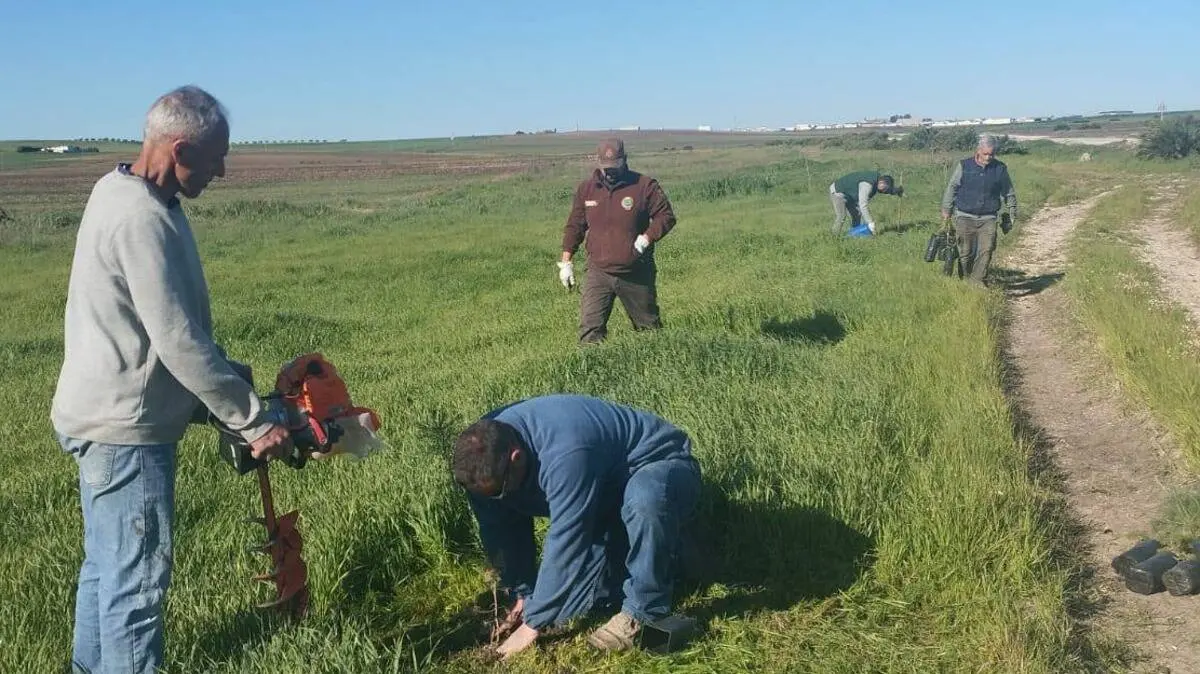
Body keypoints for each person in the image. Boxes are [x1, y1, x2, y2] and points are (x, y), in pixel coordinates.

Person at [50, 85, 292, 673]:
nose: (221, 171)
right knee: (136, 586)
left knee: (106, 571)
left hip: (98, 413)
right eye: (215, 157)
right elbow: (177, 339)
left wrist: (229, 377)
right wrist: (252, 420)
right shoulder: (142, 218)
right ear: (180, 149)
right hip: (125, 428)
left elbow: (163, 323)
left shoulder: (118, 191)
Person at [452, 394, 702, 657]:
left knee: (644, 499)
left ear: (516, 457)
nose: (495, 500)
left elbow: (568, 539)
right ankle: (666, 554)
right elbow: (499, 528)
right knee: (578, 608)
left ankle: (644, 611)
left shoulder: (565, 452)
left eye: (498, 492)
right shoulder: (481, 459)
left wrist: (532, 625)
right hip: (604, 493)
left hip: (662, 467)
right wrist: (522, 593)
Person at [558, 138, 677, 344]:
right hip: (598, 272)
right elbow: (575, 226)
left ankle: (653, 360)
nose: (610, 171)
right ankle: (593, 364)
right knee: (590, 331)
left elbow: (666, 216)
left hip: (636, 271)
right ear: (598, 162)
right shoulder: (587, 189)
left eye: (615, 166)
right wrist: (566, 262)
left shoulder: (644, 186)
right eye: (606, 167)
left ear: (625, 159)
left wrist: (647, 238)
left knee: (649, 331)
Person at [940, 134, 1019, 284]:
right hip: (964, 216)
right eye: (985, 154)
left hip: (988, 218)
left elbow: (1008, 192)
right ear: (978, 150)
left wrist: (1012, 213)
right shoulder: (964, 166)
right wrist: (946, 210)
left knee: (986, 250)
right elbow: (952, 188)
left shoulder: (1000, 169)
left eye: (992, 154)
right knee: (965, 253)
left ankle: (977, 282)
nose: (988, 157)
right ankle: (966, 279)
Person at [829, 170, 903, 235]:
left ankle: (854, 234)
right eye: (885, 187)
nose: (884, 190)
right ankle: (833, 236)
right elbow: (863, 205)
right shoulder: (867, 185)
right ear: (882, 182)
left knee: (857, 214)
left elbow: (884, 189)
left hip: (849, 194)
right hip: (838, 191)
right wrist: (870, 222)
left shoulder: (877, 181)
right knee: (841, 216)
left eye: (886, 189)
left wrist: (895, 191)